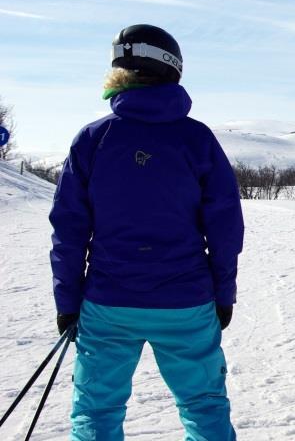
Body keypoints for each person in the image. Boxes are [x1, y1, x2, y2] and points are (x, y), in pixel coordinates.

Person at [49, 24, 244, 440]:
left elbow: (68, 227)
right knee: (204, 406)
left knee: (96, 413)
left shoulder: (93, 138)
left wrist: (67, 301)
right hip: (186, 302)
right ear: (172, 69)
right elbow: (225, 227)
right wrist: (223, 295)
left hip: (108, 303)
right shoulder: (197, 139)